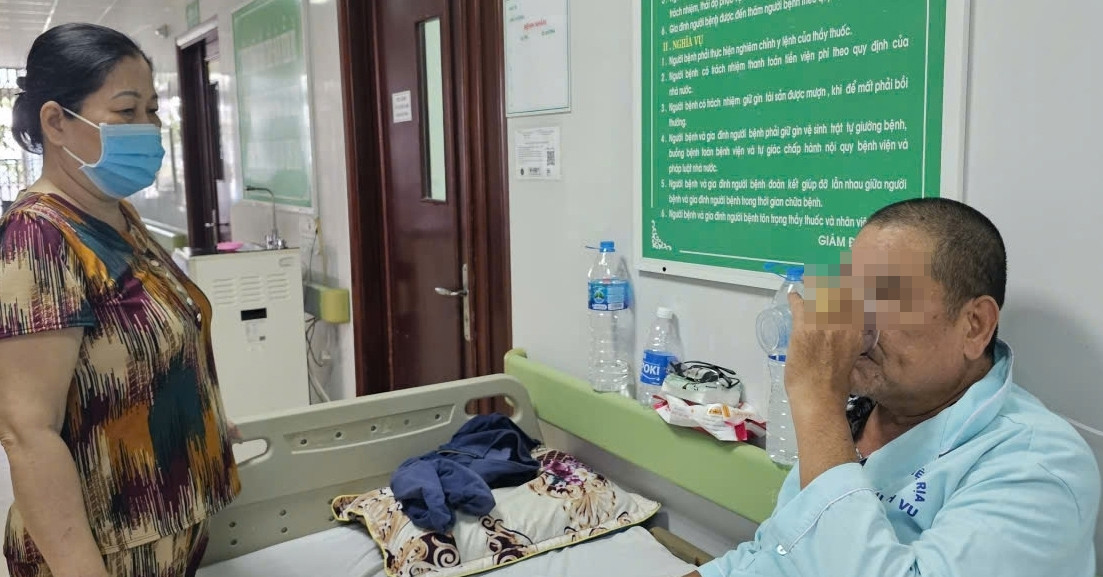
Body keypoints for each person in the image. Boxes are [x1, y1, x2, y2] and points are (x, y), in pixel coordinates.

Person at [686, 198, 1099, 577]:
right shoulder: (858, 413)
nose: (853, 320)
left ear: (974, 326)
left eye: (882, 296)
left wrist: (816, 402)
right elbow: (775, 551)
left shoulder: (1038, 465)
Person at [0, 23, 240, 577]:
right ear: (56, 122)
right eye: (127, 111)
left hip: (171, 531)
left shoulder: (118, 216)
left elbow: (132, 356)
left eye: (152, 110)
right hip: (104, 553)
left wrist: (197, 416)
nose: (149, 128)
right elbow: (27, 432)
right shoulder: (39, 238)